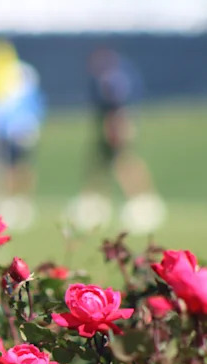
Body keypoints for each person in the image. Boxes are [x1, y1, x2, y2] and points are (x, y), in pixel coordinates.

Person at [67, 48, 165, 236]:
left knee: (124, 163)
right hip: (107, 125)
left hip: (117, 124)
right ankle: (94, 203)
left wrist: (117, 128)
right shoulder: (103, 79)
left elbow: (119, 107)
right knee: (99, 164)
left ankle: (143, 202)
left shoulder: (113, 78)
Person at [0, 39, 45, 230]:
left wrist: (29, 123)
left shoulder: (23, 74)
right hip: (4, 129)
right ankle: (2, 202)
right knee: (2, 166)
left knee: (21, 167)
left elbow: (32, 102)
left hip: (23, 128)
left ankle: (22, 203)